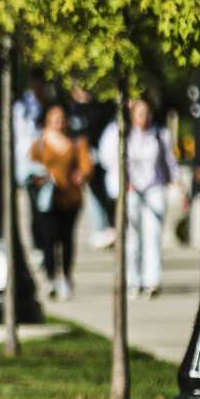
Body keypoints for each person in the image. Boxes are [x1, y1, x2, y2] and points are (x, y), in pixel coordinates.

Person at [102, 97, 179, 298]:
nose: (143, 118)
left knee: (152, 235)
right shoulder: (119, 133)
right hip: (130, 190)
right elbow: (108, 159)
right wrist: (123, 182)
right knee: (131, 236)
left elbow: (170, 162)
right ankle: (132, 280)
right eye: (139, 113)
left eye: (146, 113)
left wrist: (179, 184)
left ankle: (152, 280)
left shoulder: (160, 134)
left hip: (154, 188)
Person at [26, 104, 93, 300]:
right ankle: (51, 278)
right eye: (55, 119)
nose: (59, 123)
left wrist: (82, 174)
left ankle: (66, 276)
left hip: (70, 198)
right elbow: (29, 166)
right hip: (47, 199)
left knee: (66, 239)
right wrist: (40, 176)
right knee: (48, 239)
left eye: (61, 119)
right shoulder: (40, 144)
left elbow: (86, 164)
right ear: (48, 121)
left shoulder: (76, 142)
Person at [66, 86, 119, 248]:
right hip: (82, 159)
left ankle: (107, 227)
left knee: (102, 193)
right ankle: (100, 228)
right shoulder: (71, 110)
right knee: (93, 194)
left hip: (99, 158)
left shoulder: (100, 108)